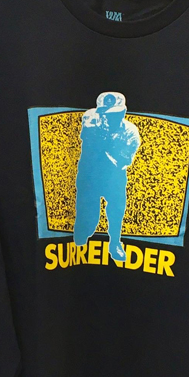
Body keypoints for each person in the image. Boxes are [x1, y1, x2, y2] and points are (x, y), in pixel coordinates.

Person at [73, 92, 141, 262]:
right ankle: (80, 239)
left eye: (114, 115)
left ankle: (115, 243)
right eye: (105, 114)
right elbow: (86, 145)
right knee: (87, 213)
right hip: (89, 173)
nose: (108, 119)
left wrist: (105, 144)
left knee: (116, 209)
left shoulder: (130, 132)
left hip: (114, 175)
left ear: (123, 113)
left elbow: (121, 162)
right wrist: (94, 135)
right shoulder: (91, 119)